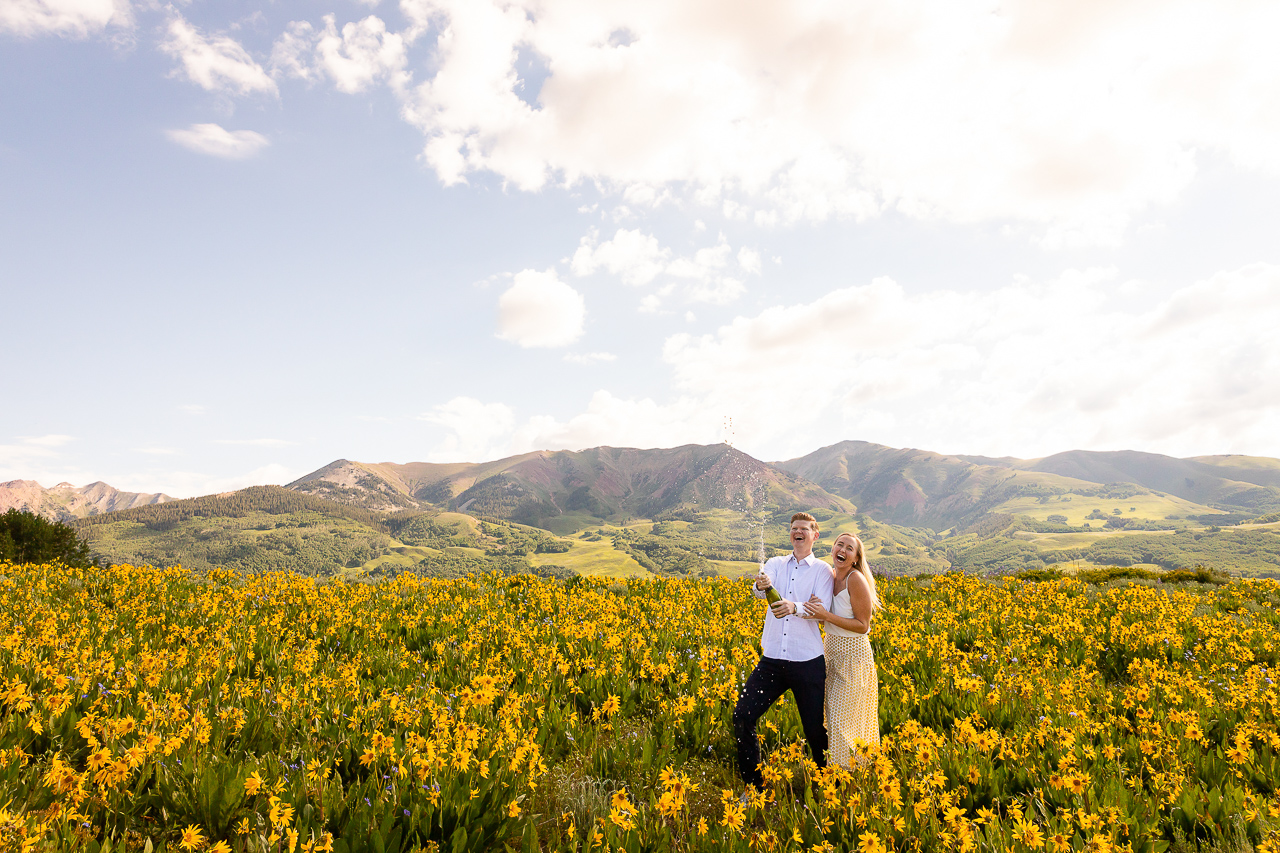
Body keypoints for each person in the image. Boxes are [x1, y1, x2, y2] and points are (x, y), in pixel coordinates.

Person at [733, 512, 835, 790]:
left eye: (804, 528)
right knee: (742, 716)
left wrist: (794, 607)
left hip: (808, 662)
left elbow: (821, 608)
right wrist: (761, 585)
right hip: (772, 662)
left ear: (815, 535)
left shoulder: (823, 571)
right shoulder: (775, 563)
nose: (797, 532)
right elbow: (760, 588)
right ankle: (754, 788)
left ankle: (827, 786)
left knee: (815, 731)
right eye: (794, 528)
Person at [801, 532, 881, 767]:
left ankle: (841, 773)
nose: (843, 550)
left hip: (854, 657)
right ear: (833, 548)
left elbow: (863, 625)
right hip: (831, 654)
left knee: (840, 719)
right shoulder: (829, 576)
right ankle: (849, 769)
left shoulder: (855, 580)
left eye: (849, 548)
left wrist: (826, 616)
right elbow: (822, 614)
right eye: (839, 545)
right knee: (834, 718)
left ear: (855, 558)